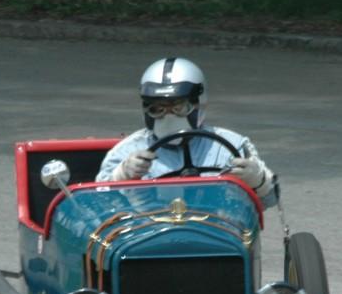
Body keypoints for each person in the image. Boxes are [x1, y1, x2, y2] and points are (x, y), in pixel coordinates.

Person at [96, 57, 278, 208]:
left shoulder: (232, 146)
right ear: (146, 109)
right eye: (157, 108)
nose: (168, 116)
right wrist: (122, 175)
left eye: (179, 107)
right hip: (147, 235)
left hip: (217, 231)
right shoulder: (127, 151)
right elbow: (99, 205)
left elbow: (269, 200)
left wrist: (258, 180)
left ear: (198, 103)